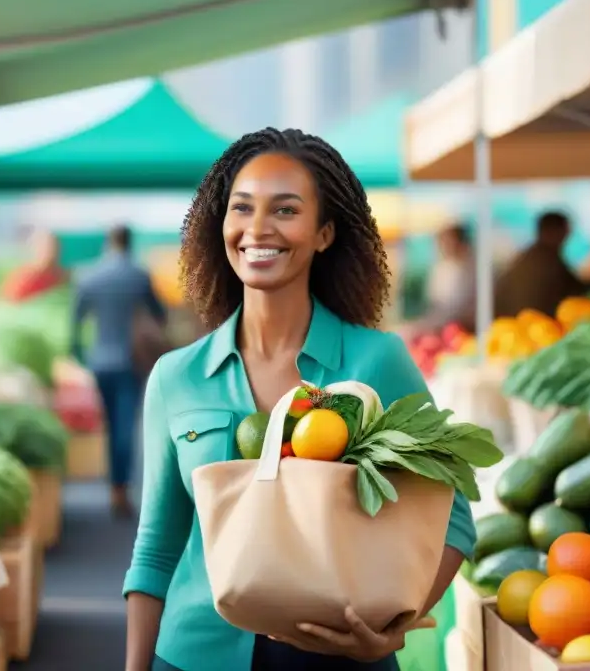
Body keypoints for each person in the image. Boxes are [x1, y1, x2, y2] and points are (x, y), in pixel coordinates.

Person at [123, 129, 475, 671]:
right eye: (242, 208)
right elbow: (156, 549)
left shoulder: (377, 362)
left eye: (285, 210)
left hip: (343, 660)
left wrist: (390, 631)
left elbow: (452, 518)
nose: (258, 228)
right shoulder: (177, 377)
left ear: (325, 233)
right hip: (194, 654)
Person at [72, 225, 167, 518]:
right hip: (131, 360)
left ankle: (112, 482)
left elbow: (75, 325)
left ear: (107, 243)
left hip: (100, 361)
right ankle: (120, 489)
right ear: (130, 242)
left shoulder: (89, 276)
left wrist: (80, 355)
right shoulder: (138, 276)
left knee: (110, 424)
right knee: (126, 425)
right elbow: (159, 315)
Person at [494, 211, 585, 318]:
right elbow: (576, 291)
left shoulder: (532, 256)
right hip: (527, 326)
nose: (568, 234)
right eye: (566, 230)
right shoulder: (545, 262)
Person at [401, 223, 476, 340]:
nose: (445, 245)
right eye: (442, 241)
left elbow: (462, 309)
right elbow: (435, 305)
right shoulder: (441, 268)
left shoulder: (473, 270)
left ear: (459, 242)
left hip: (462, 329)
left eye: (449, 241)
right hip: (441, 325)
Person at [0, 229, 69, 302]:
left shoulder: (62, 276)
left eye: (53, 247)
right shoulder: (24, 276)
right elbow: (10, 301)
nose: (50, 252)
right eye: (44, 247)